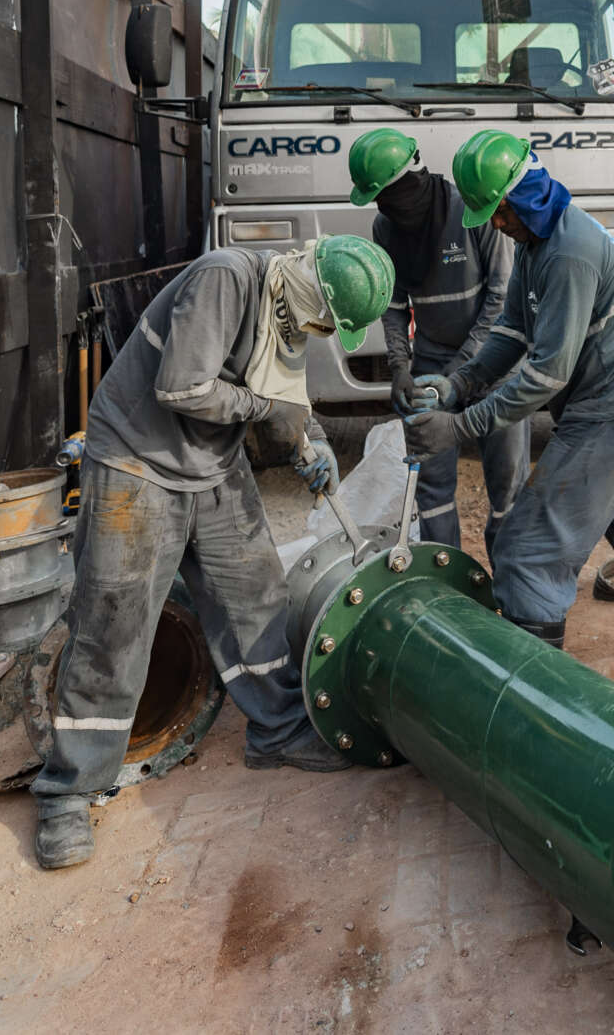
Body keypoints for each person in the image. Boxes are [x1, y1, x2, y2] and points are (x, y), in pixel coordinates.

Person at [33, 233, 394, 870]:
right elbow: (183, 387)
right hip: (137, 459)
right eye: (325, 320)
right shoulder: (226, 279)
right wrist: (265, 412)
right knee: (114, 624)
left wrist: (305, 439)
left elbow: (279, 381)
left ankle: (278, 728)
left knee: (256, 595)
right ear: (314, 288)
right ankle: (69, 789)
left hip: (211, 461)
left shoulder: (290, 301)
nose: (319, 331)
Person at [403, 130, 614, 664]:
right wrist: (458, 384)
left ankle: (528, 686)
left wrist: (459, 426)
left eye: (499, 210)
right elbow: (512, 332)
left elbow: (544, 377)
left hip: (612, 417)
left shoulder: (569, 254)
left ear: (525, 194)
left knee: (526, 551)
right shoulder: (536, 244)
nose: (495, 223)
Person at [347, 127, 525, 552]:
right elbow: (393, 305)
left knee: (506, 489)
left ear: (411, 183)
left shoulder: (470, 210)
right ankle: (451, 586)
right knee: (432, 489)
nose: (385, 209)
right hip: (431, 366)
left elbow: (501, 300)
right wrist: (399, 369)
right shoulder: (386, 228)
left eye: (388, 198)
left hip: (494, 366)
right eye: (379, 203)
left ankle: (511, 591)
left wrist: (461, 373)